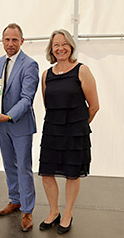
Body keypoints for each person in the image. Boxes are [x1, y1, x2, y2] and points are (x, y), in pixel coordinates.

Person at [38, 29, 99, 234]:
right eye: (56, 44)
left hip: (75, 131)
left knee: (73, 174)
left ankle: (68, 213)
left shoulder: (82, 70)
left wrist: (78, 125)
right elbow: (47, 105)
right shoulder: (46, 74)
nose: (60, 48)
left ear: (71, 46)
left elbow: (94, 106)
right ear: (51, 49)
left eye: (64, 44)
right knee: (46, 174)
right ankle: (54, 211)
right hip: (52, 129)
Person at [0, 23, 39, 232]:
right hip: (2, 125)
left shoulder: (30, 64)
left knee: (24, 168)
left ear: (22, 41)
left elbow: (27, 99)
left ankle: (27, 210)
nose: (10, 43)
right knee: (9, 165)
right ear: (2, 41)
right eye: (7, 39)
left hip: (19, 124)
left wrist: (8, 116)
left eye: (14, 40)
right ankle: (15, 200)